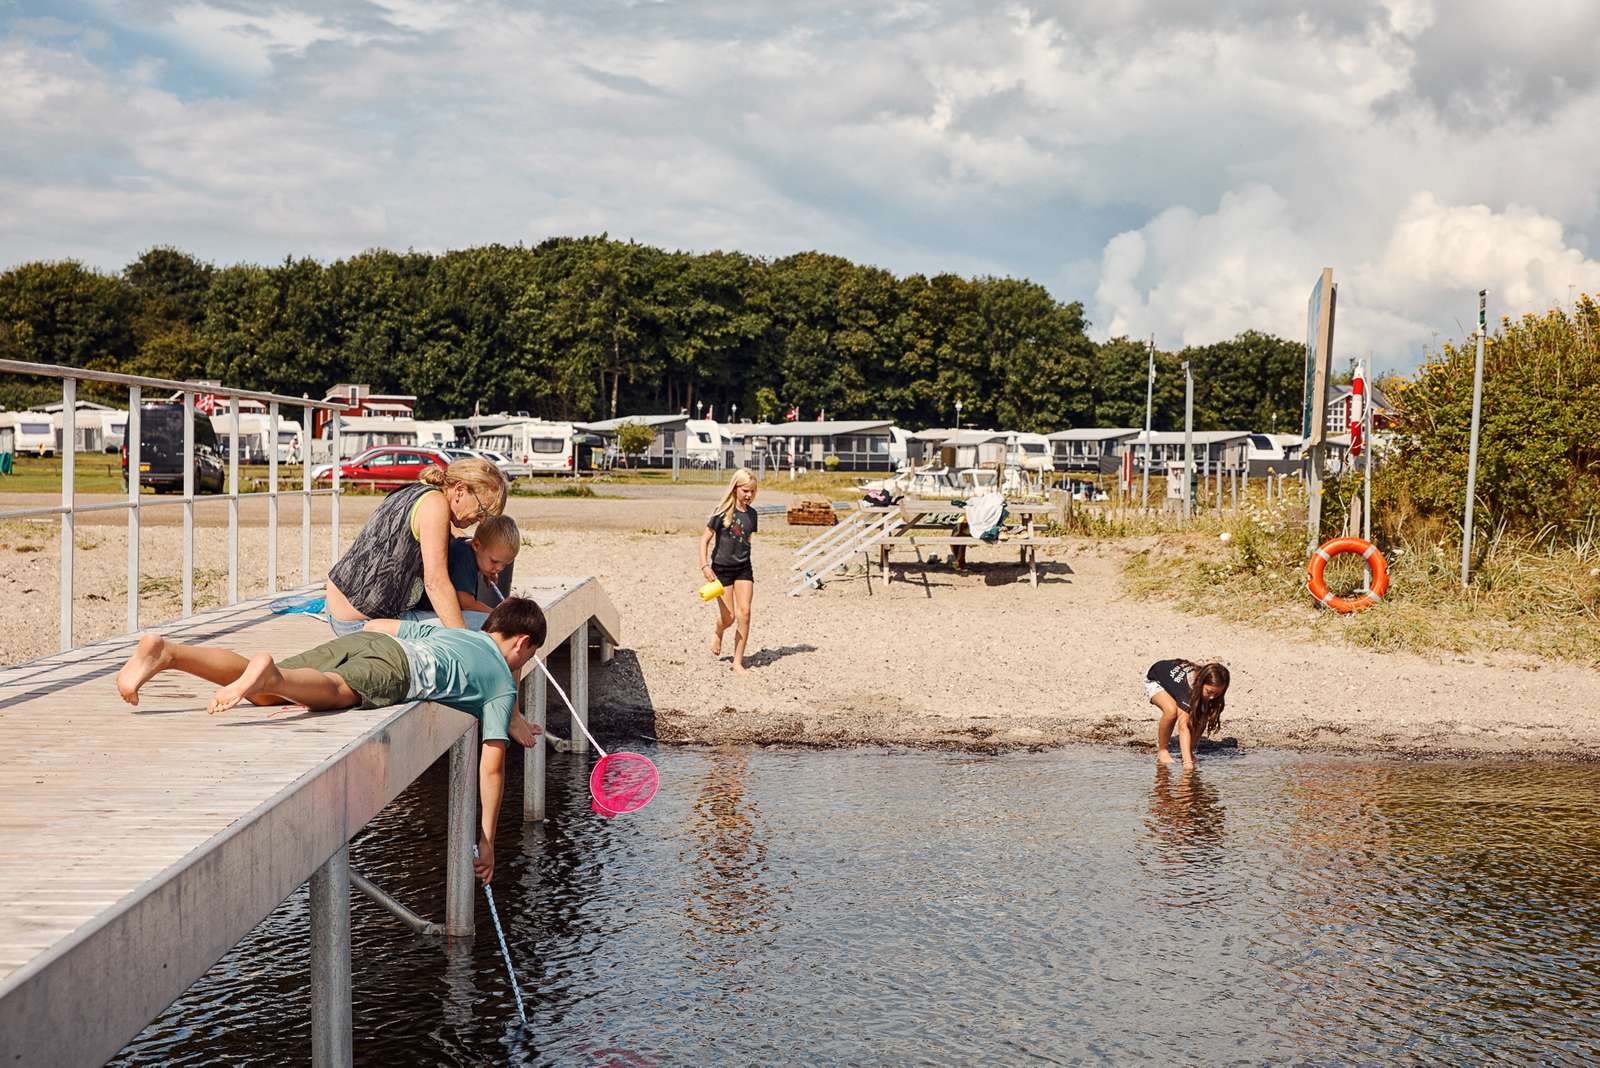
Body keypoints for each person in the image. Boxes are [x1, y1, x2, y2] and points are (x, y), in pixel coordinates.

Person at [114, 597, 548, 884]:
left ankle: (168, 653)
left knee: (264, 691)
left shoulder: (458, 634)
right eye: (527, 659)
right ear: (523, 643)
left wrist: (512, 718)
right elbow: (492, 765)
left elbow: (379, 625)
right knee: (334, 691)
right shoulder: (501, 683)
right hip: (397, 671)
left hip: (367, 642)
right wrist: (487, 839)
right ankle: (270, 674)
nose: (522, 667)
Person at [324, 458, 508, 635]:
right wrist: (463, 641)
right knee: (494, 628)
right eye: (482, 511)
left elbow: (449, 537)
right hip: (360, 623)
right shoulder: (435, 506)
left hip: (339, 608)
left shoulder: (421, 491)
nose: (482, 520)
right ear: (460, 490)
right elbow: (435, 584)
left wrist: (480, 560)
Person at [410, 514, 521, 628]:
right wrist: (498, 615)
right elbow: (466, 604)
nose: (499, 568)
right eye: (494, 561)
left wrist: (487, 571)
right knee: (492, 623)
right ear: (476, 545)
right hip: (422, 616)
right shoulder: (464, 558)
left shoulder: (465, 546)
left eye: (505, 564)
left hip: (425, 612)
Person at [699, 468, 758, 674]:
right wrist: (705, 566)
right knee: (729, 617)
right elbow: (704, 540)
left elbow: (747, 540)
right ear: (735, 489)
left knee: (745, 613)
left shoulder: (753, 514)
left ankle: (737, 662)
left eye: (752, 491)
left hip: (743, 568)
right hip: (721, 570)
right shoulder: (720, 512)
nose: (749, 495)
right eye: (745, 490)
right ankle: (719, 630)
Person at [1146, 658, 1230, 768]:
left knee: (1202, 716)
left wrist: (1188, 754)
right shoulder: (1187, 690)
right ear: (1200, 683)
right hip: (1156, 679)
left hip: (1176, 683)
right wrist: (1187, 763)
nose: (1212, 697)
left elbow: (1202, 720)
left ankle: (1188, 751)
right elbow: (1183, 727)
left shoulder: (1208, 689)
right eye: (1209, 692)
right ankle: (1162, 750)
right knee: (1171, 711)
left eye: (1217, 694)